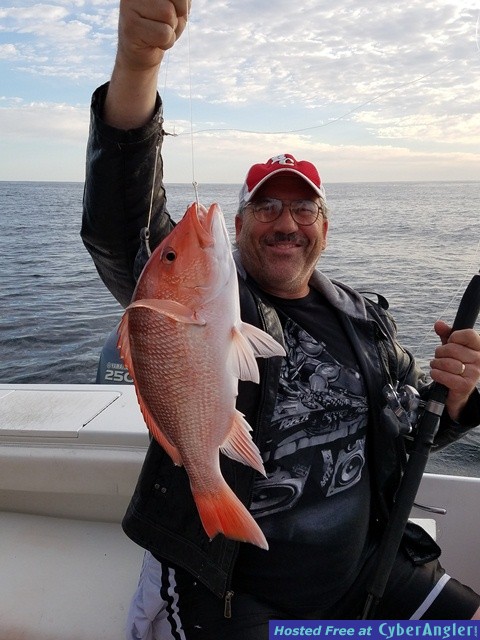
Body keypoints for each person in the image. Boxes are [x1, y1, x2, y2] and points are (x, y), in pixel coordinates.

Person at [81, 1, 480, 637]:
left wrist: (456, 401)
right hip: (232, 588)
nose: (286, 222)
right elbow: (119, 224)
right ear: (238, 226)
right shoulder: (201, 301)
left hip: (367, 571)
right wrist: (138, 64)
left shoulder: (366, 323)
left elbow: (410, 434)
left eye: (303, 208)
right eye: (267, 208)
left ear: (324, 227)